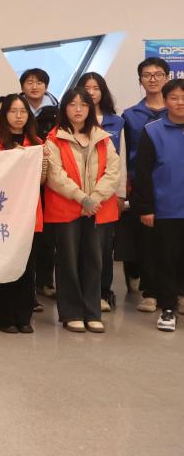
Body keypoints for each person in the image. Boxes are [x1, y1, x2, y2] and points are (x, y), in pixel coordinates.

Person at [44, 87, 120, 333]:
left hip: (97, 208)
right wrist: (82, 198)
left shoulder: (103, 138)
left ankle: (92, 312)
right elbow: (55, 175)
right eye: (72, 104)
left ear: (90, 108)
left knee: (95, 261)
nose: (78, 109)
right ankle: (71, 312)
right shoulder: (54, 138)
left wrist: (94, 199)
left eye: (83, 105)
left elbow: (113, 172)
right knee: (67, 260)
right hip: (67, 208)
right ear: (64, 108)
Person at [0, 94, 46, 333]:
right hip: (2, 214)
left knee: (27, 267)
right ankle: (3, 316)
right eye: (13, 111)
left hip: (29, 213)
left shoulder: (37, 143)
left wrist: (43, 162)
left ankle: (23, 316)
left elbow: (43, 179)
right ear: (4, 115)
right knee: (3, 264)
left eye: (23, 111)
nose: (18, 116)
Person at [130, 78, 184, 332]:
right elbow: (142, 173)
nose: (180, 102)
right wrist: (146, 207)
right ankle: (168, 308)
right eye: (174, 98)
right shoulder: (152, 131)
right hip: (165, 209)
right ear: (165, 101)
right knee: (165, 260)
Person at [121, 57, 170, 313]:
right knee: (147, 240)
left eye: (158, 74)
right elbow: (125, 151)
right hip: (141, 185)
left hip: (173, 184)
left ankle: (175, 291)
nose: (153, 79)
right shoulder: (130, 115)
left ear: (167, 78)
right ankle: (150, 292)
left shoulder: (178, 112)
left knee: (174, 239)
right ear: (140, 80)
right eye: (147, 75)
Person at [77, 71, 126, 312]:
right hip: (77, 196)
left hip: (107, 195)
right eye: (87, 88)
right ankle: (82, 293)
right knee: (81, 247)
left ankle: (103, 292)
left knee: (104, 248)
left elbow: (120, 161)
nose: (91, 92)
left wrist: (120, 194)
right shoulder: (72, 120)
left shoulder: (116, 122)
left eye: (96, 88)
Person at [20, 68, 60, 137]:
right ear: (22, 88)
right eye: (30, 83)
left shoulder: (56, 110)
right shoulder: (13, 108)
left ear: (46, 87)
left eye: (39, 83)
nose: (34, 87)